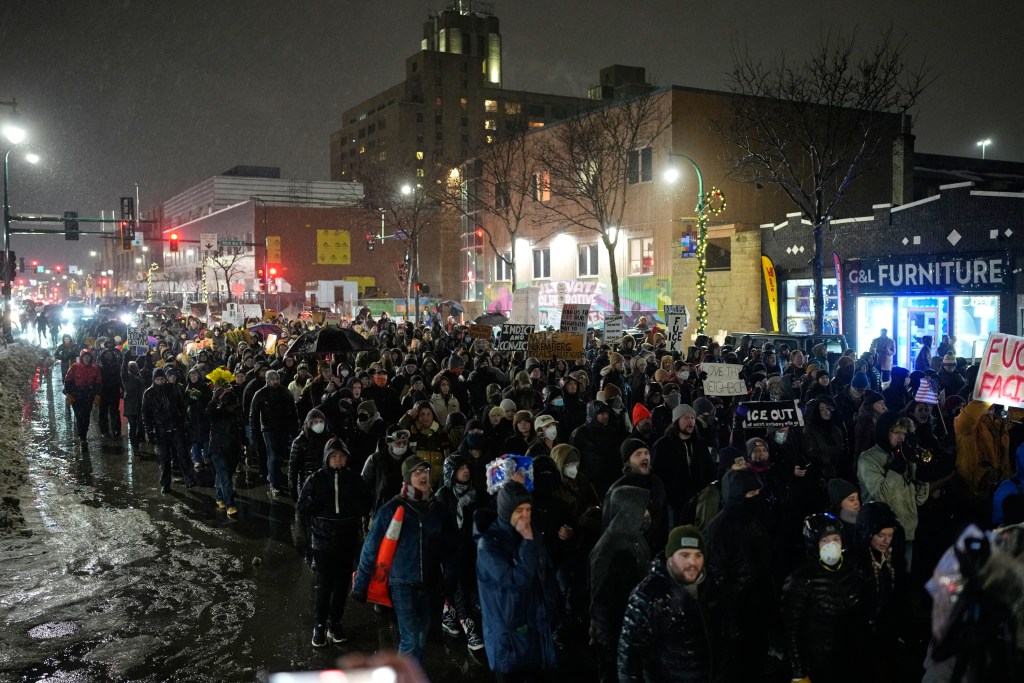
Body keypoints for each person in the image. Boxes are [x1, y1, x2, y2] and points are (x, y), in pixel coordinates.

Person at [353, 455, 456, 663]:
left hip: (429, 583)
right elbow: (370, 548)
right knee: (409, 640)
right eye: (417, 472)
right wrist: (361, 584)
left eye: (425, 471)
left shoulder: (438, 510)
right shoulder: (391, 509)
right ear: (408, 478)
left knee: (420, 638)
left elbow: (451, 547)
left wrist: (450, 575)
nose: (423, 475)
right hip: (401, 583)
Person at [474, 481, 560, 682]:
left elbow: (545, 574)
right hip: (509, 643)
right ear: (506, 511)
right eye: (519, 510)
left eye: (528, 510)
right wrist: (528, 542)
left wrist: (554, 610)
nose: (525, 516)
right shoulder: (489, 545)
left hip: (535, 634)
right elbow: (516, 581)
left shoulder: (530, 534)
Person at [618, 525, 716, 683]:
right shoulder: (648, 595)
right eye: (684, 555)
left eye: (698, 555)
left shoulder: (710, 588)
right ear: (670, 558)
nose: (692, 562)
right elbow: (629, 660)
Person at [299, 437, 369, 648]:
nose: (338, 461)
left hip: (347, 541)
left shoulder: (354, 479)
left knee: (341, 586)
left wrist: (355, 504)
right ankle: (319, 624)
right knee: (324, 585)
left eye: (341, 457)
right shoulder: (316, 479)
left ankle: (335, 622)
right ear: (327, 459)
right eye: (334, 457)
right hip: (322, 542)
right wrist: (317, 502)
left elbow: (366, 504)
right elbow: (302, 507)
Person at [782, 513, 864, 683]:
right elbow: (791, 630)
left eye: (836, 539)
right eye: (825, 541)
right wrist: (799, 671)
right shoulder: (801, 579)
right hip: (820, 664)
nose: (832, 545)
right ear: (814, 544)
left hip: (851, 658)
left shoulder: (851, 570)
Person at [589, 485, 651, 683]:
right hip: (616, 642)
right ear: (629, 510)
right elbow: (601, 606)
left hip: (633, 634)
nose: (647, 513)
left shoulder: (635, 539)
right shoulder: (606, 552)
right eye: (643, 508)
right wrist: (611, 648)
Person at [857, 413, 929, 571]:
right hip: (881, 536)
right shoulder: (868, 459)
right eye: (896, 432)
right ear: (884, 432)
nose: (901, 437)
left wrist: (923, 478)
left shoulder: (905, 456)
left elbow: (919, 499)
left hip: (907, 532)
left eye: (904, 433)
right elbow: (882, 497)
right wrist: (897, 467)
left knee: (903, 580)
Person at [142, 367, 197, 493]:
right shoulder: (149, 393)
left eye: (162, 379)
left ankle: (189, 479)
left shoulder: (172, 389)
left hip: (176, 426)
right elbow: (145, 413)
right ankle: (165, 483)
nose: (160, 382)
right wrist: (149, 430)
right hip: (161, 429)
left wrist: (184, 421)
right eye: (158, 379)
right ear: (153, 380)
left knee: (182, 454)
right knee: (164, 458)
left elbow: (181, 406)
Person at [249, 369, 299, 497]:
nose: (275, 381)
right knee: (273, 456)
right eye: (272, 379)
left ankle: (273, 476)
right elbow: (253, 415)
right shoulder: (260, 394)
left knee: (281, 455)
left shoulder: (285, 392)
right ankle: (274, 484)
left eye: (277, 379)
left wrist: (294, 428)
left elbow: (293, 410)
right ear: (267, 380)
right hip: (268, 429)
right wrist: (254, 434)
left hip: (283, 428)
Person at [205, 369, 242, 515]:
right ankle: (230, 505)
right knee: (225, 476)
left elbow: (239, 427)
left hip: (232, 448)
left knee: (225, 474)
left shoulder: (236, 414)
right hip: (218, 448)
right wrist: (214, 399)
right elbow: (208, 413)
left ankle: (220, 496)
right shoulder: (217, 412)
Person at [63, 348, 102, 446]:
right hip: (77, 395)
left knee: (86, 416)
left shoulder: (95, 368)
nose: (87, 358)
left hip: (88, 395)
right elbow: (68, 380)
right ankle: (82, 436)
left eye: (88, 356)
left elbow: (98, 383)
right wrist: (69, 393)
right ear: (82, 357)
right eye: (85, 356)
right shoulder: (74, 367)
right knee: (79, 416)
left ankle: (84, 433)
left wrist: (97, 395)